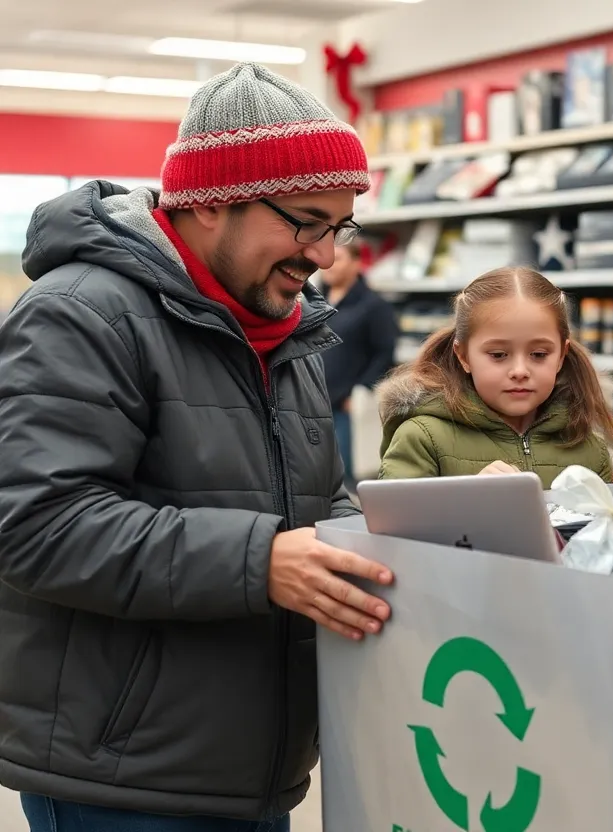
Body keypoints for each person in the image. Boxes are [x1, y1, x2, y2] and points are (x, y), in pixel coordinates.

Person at [0, 63, 396, 832]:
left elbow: (315, 498)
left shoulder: (286, 325)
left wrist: (400, 533)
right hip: (121, 774)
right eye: (306, 220)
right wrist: (263, 562)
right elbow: (36, 528)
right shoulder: (81, 315)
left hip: (255, 763)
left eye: (340, 226)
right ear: (212, 201)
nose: (324, 253)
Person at [378, 266, 613, 487]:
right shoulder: (422, 438)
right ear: (463, 355)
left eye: (538, 354)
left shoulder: (589, 448)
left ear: (561, 355)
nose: (520, 371)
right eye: (498, 355)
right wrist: (469, 500)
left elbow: (607, 535)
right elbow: (394, 526)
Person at [319, 238, 400, 486]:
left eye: (339, 258)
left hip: (347, 406)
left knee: (349, 473)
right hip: (316, 401)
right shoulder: (314, 302)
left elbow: (385, 352)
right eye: (326, 260)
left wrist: (361, 390)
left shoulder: (373, 306)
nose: (330, 265)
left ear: (356, 263)